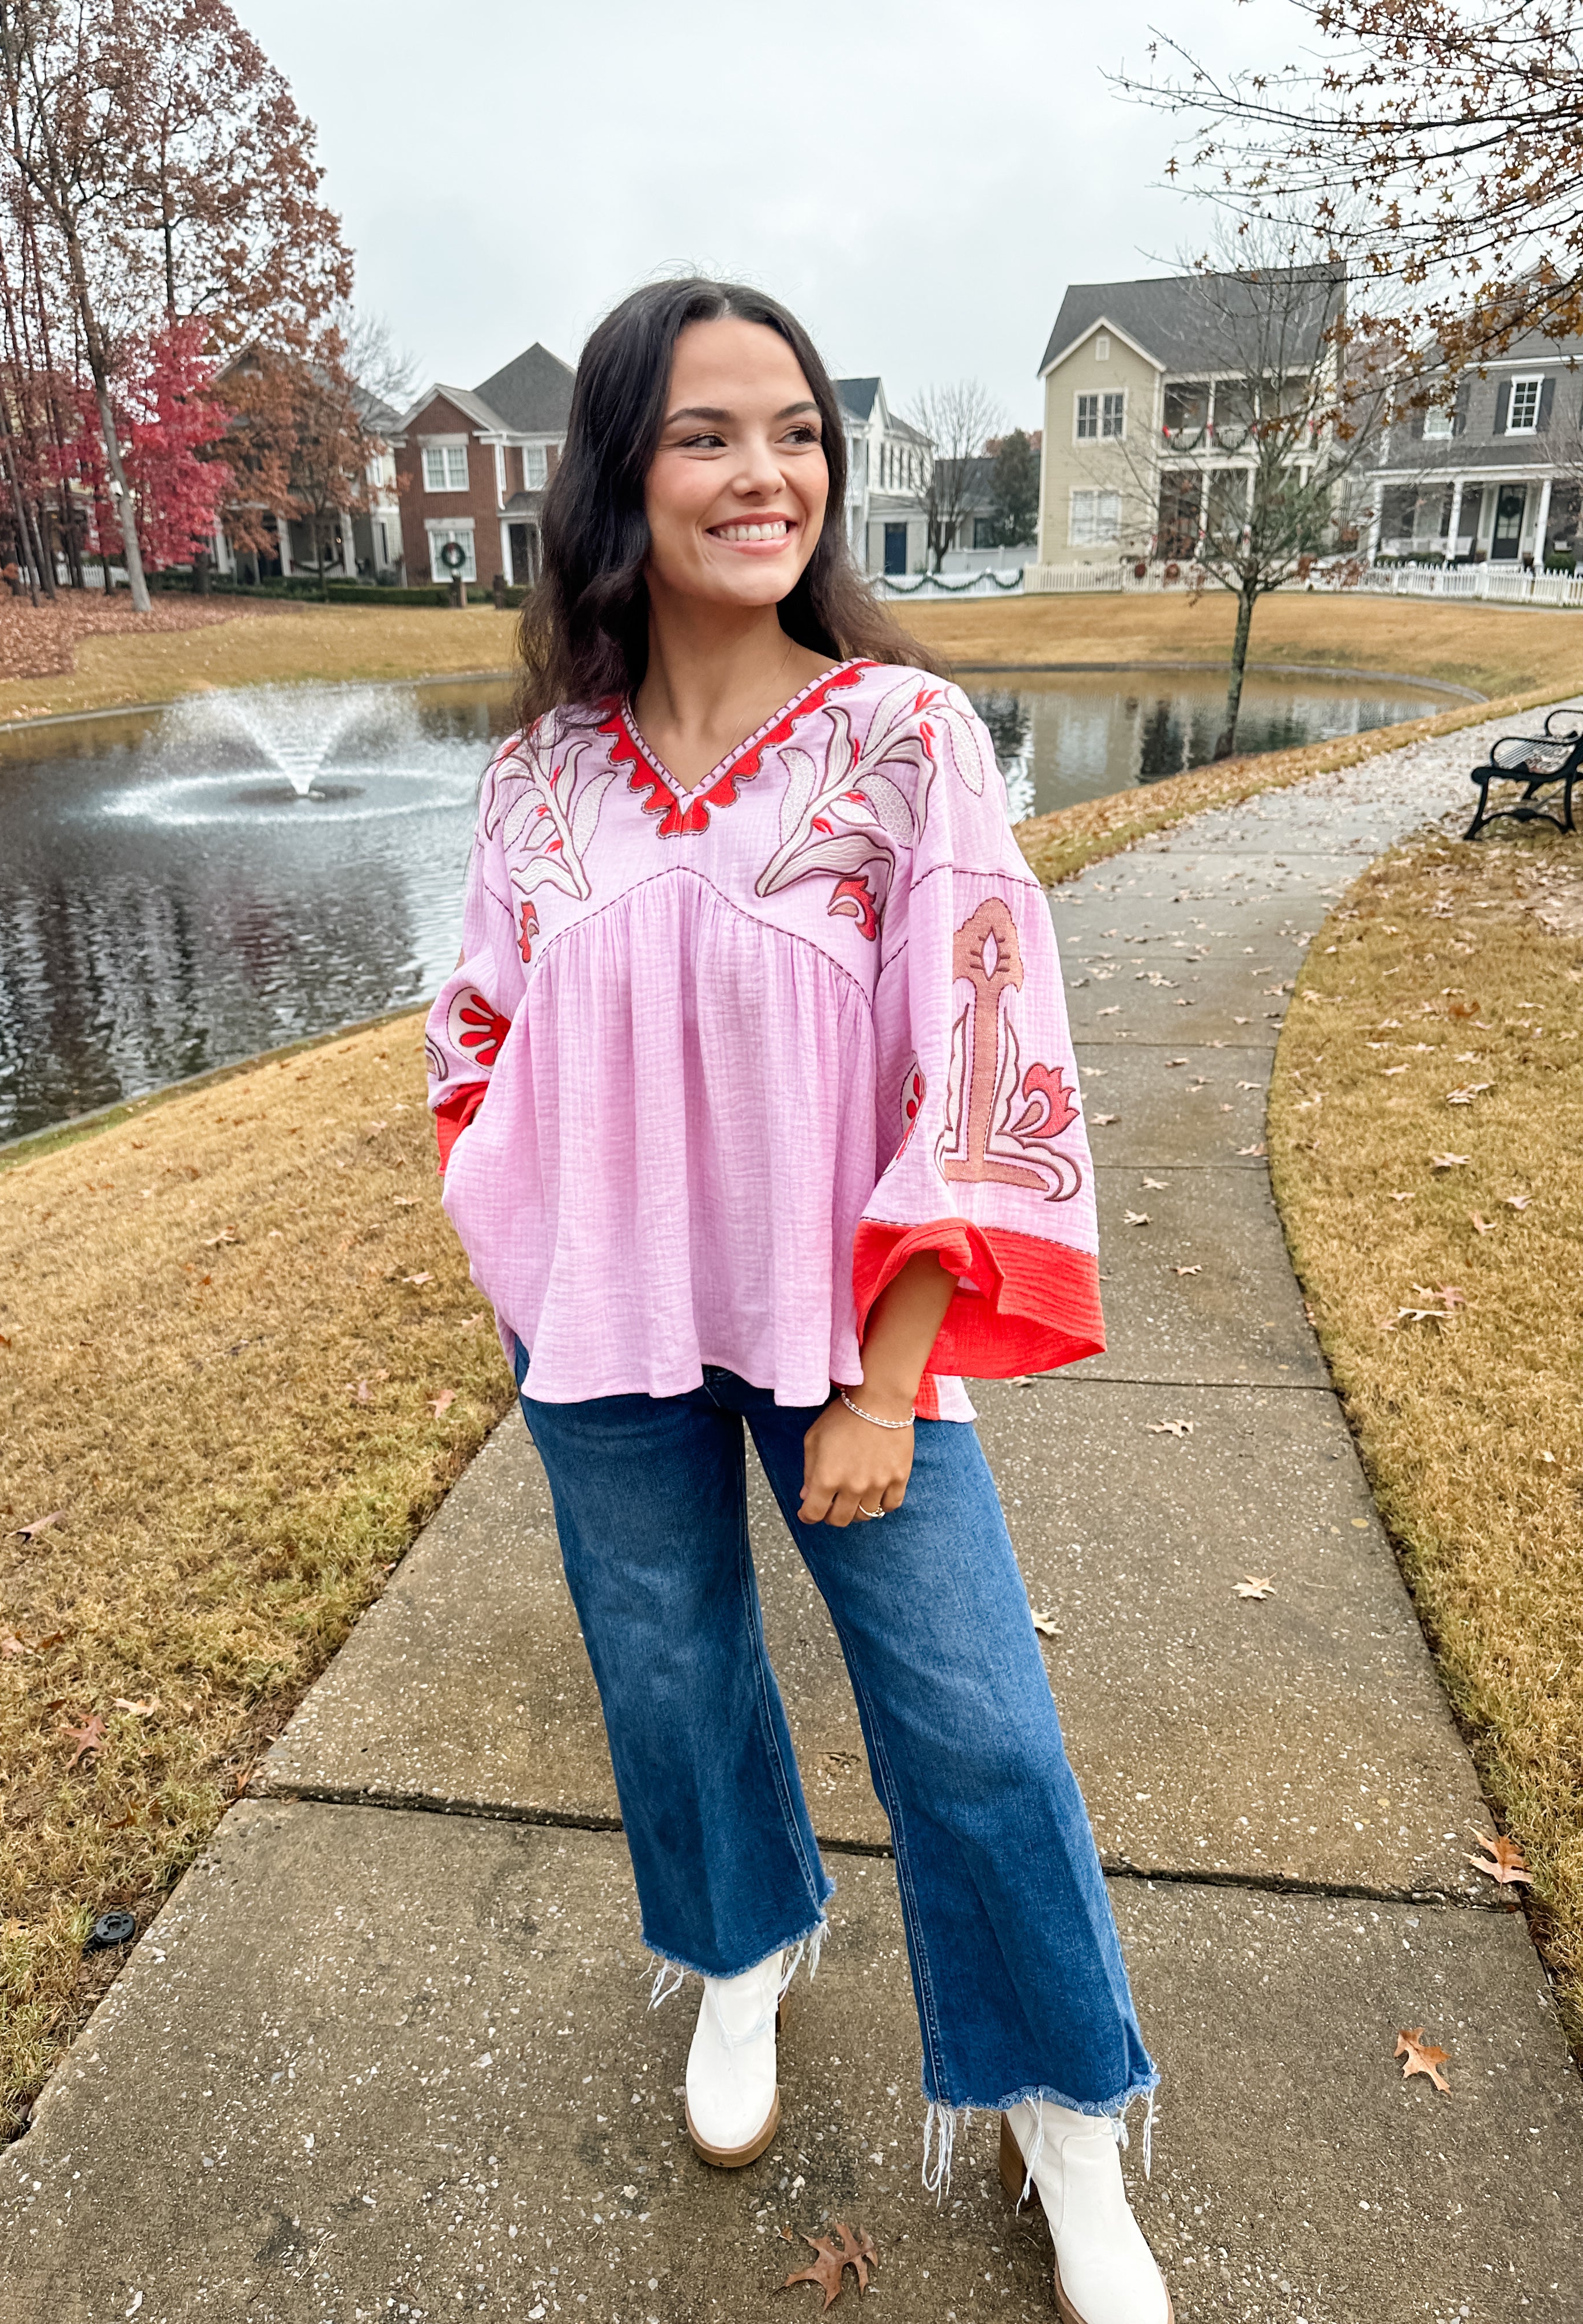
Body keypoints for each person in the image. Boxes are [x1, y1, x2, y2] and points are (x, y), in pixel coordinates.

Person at [425, 277, 1170, 2324]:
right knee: (667, 1687)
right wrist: (528, 1238)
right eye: (705, 434)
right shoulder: (534, 786)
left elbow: (987, 1065)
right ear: (616, 477)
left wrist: (888, 1377)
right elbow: (472, 1034)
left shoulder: (899, 740)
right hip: (602, 1332)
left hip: (854, 1338)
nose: (766, 474)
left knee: (978, 1729)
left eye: (796, 436)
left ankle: (1065, 2113)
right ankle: (742, 1954)